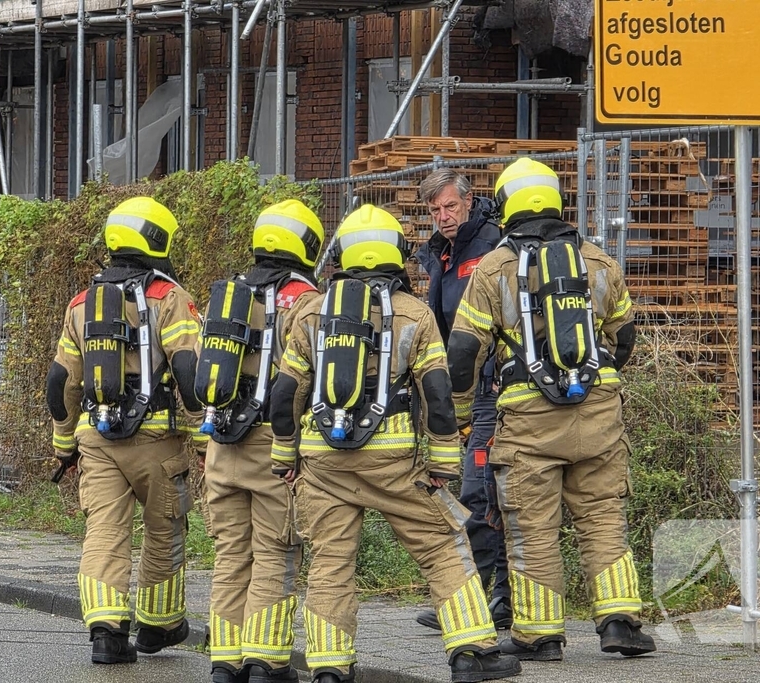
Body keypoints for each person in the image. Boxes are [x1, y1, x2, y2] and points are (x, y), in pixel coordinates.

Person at [268, 204, 521, 683]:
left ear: (340, 255)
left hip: (323, 465)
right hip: (394, 467)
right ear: (398, 255)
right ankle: (472, 651)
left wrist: (286, 457)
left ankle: (327, 666)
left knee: (330, 563)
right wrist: (445, 460)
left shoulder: (308, 314)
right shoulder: (414, 313)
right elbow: (439, 395)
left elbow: (286, 395)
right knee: (445, 544)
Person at [446, 158, 656, 662]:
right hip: (599, 414)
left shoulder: (493, 269)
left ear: (506, 205)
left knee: (532, 528)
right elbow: (624, 339)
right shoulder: (599, 262)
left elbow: (462, 356)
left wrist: (456, 417)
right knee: (605, 518)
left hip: (528, 420)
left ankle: (540, 636)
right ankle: (621, 624)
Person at [47, 196, 205, 664]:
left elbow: (61, 382)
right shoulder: (170, 298)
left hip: (95, 441)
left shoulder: (82, 303)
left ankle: (106, 632)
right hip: (157, 442)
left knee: (104, 532)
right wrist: (202, 436)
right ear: (156, 240)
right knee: (165, 529)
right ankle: (157, 627)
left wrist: (64, 445)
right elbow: (189, 371)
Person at [199, 200, 324, 683]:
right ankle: (267, 662)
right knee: (276, 551)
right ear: (307, 245)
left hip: (222, 445)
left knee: (231, 554)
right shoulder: (306, 301)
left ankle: (225, 664)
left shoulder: (228, 294)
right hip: (274, 446)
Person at [413, 169, 510, 632]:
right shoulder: (441, 254)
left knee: (481, 492)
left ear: (469, 203)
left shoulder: (490, 247)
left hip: (490, 390)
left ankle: (476, 601)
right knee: (478, 491)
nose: (443, 217)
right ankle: (495, 602)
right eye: (435, 210)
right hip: (458, 393)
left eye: (450, 207)